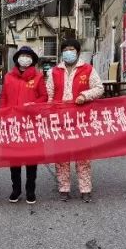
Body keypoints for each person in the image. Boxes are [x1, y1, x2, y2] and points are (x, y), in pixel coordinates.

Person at [46, 38, 104, 202]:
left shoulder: (88, 70)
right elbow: (49, 96)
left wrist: (85, 96)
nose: (68, 53)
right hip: (60, 120)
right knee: (61, 156)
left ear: (77, 52)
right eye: (65, 50)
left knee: (83, 155)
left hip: (81, 120)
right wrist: (49, 116)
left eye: (71, 49)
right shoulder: (54, 72)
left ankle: (85, 189)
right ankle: (64, 188)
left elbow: (99, 88)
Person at [0, 45, 47, 204]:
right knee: (15, 158)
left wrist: (33, 105)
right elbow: (4, 98)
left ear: (32, 60)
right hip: (13, 123)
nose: (25, 58)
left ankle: (30, 190)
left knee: (31, 158)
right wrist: (2, 116)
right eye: (22, 55)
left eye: (28, 56)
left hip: (31, 124)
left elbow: (44, 97)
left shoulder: (38, 77)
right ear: (17, 58)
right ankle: (16, 189)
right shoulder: (8, 77)